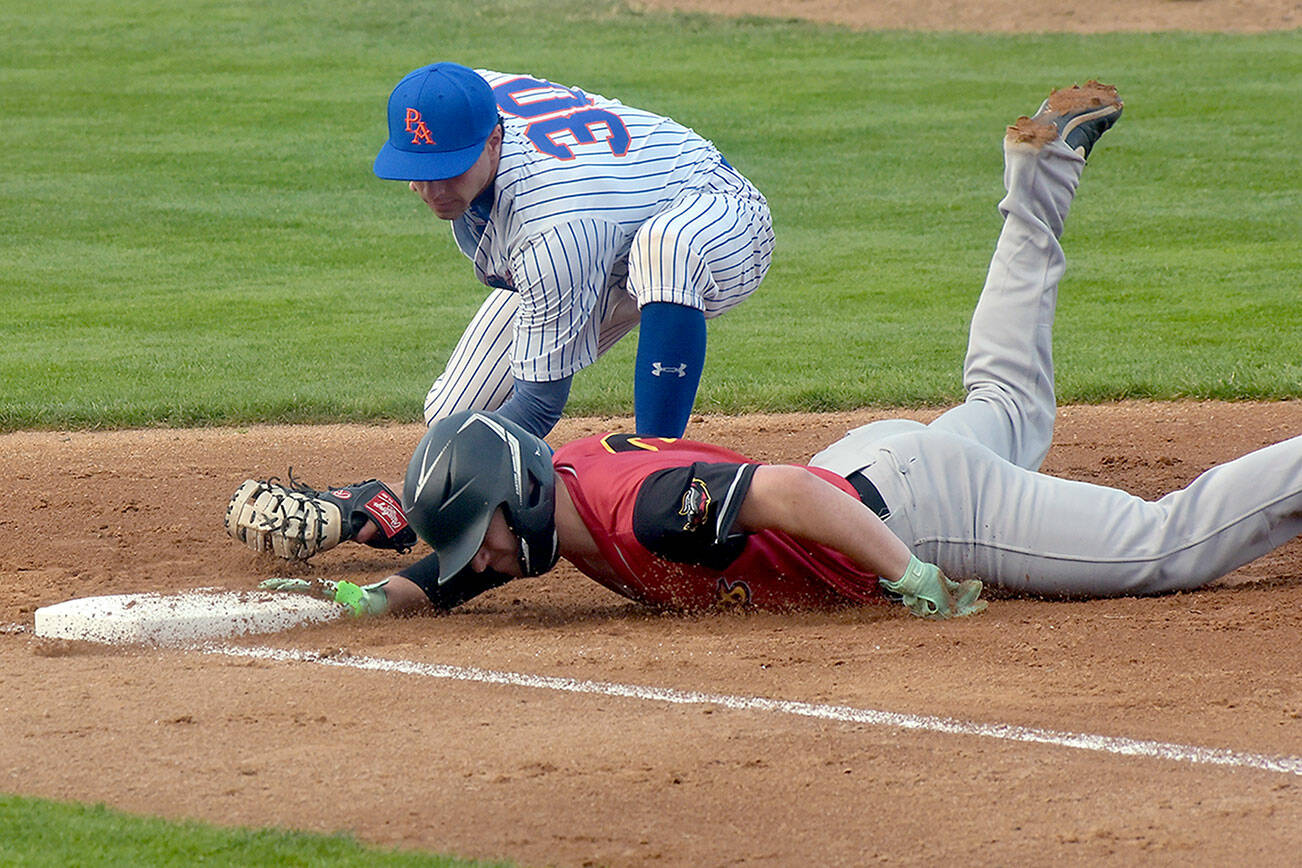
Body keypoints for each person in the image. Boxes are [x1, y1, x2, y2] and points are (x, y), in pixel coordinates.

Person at [258, 81, 1301, 620]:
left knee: (1162, 547)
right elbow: (455, 574)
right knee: (1007, 409)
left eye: (480, 541)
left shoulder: (635, 507)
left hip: (909, 510)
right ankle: (1041, 183)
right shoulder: (543, 503)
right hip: (881, 463)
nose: (483, 564)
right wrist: (361, 595)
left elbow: (788, 496)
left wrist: (911, 575)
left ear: (516, 502)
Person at [376, 62, 774, 440]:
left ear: (494, 141)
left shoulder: (551, 223)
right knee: (453, 418)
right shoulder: (453, 98)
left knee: (664, 249)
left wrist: (453, 463)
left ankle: (657, 458)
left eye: (449, 169)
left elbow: (538, 405)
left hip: (716, 209)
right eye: (419, 169)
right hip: (599, 233)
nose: (432, 189)